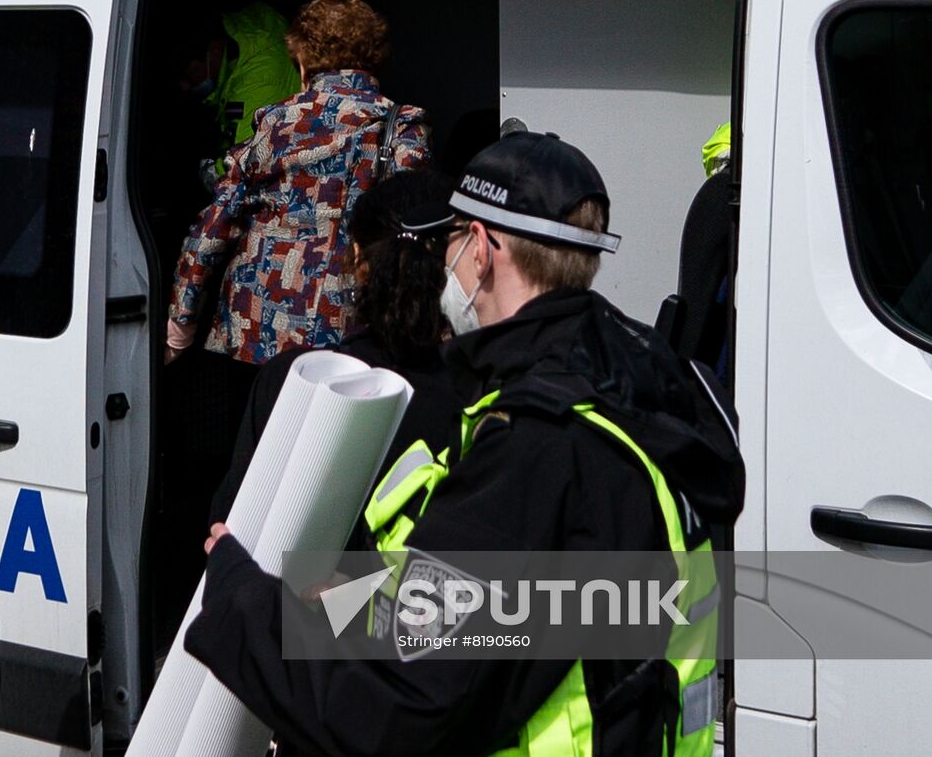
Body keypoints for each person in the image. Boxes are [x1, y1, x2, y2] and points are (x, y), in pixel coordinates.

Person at [183, 132, 746, 756]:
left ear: (480, 247)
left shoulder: (535, 441)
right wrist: (349, 595)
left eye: (451, 241)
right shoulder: (640, 394)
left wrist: (240, 595)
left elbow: (395, 705)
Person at [166, 0, 431, 369]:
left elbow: (213, 228)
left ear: (303, 62)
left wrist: (181, 324)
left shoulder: (275, 124)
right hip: (354, 330)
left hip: (258, 331)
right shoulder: (403, 128)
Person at [207, 169, 466, 529]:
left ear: (358, 259)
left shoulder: (295, 379)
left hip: (294, 585)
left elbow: (233, 528)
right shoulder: (485, 398)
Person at [181, 2, 304, 188]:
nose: (184, 86)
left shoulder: (257, 82)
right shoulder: (249, 32)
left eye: (189, 74)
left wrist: (210, 173)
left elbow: (241, 169)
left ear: (213, 50)